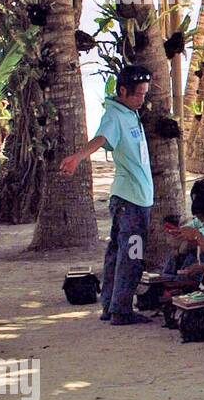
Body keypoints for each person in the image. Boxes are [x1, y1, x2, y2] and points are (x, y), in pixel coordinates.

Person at [59, 64, 155, 325]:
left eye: (145, 94)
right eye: (139, 95)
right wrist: (78, 157)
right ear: (123, 91)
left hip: (134, 197)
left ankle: (111, 305)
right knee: (131, 256)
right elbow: (101, 138)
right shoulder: (114, 116)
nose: (142, 100)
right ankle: (121, 310)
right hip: (131, 200)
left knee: (116, 251)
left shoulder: (129, 112)